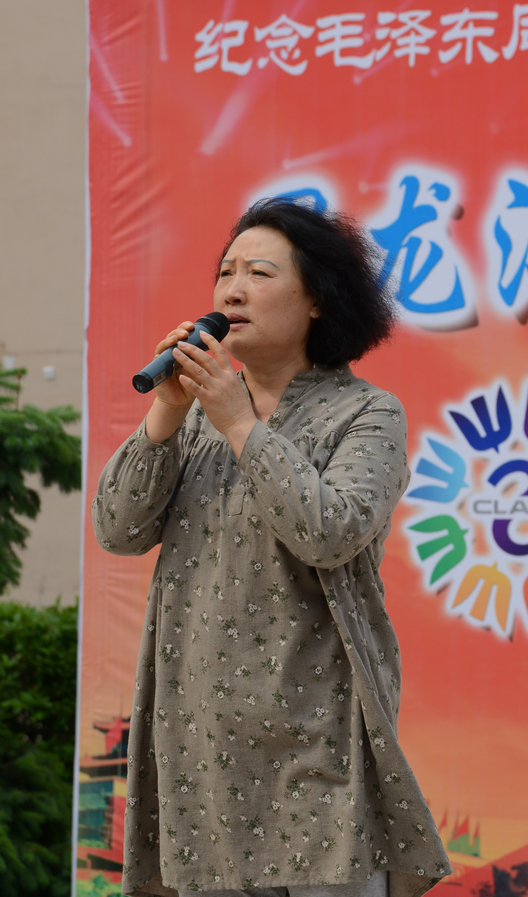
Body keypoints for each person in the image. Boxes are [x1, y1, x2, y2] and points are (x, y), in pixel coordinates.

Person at [92, 199, 450, 897]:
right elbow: (118, 528)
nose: (233, 290)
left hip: (318, 742)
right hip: (202, 753)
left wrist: (240, 423)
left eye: (259, 273)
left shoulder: (366, 412)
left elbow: (331, 531)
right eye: (226, 272)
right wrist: (168, 409)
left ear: (317, 299)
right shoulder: (192, 420)